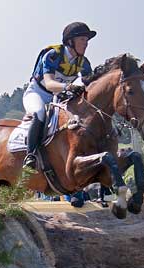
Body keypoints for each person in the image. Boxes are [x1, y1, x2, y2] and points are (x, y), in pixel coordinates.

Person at [22, 22, 97, 170]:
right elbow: (49, 84)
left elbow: (91, 86)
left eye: (87, 40)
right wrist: (69, 86)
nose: (86, 43)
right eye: (82, 39)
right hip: (37, 93)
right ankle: (30, 155)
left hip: (59, 98)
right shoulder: (53, 55)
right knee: (40, 113)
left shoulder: (84, 63)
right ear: (70, 41)